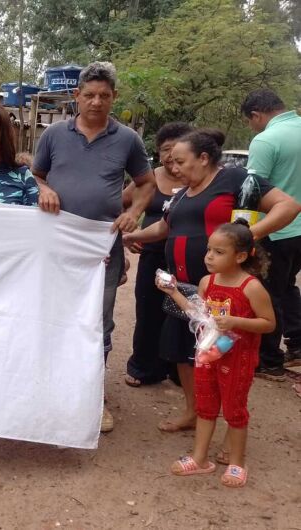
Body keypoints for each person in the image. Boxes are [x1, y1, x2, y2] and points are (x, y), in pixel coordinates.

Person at [123, 129, 300, 434]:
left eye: (180, 161)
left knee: (223, 357)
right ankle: (194, 412)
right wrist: (130, 235)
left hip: (223, 291)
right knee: (184, 352)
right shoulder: (181, 193)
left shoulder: (234, 180)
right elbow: (165, 229)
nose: (173, 168)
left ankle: (231, 424)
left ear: (203, 158)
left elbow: (288, 206)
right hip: (185, 290)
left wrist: (246, 238)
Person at [32, 62, 156, 433]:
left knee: (97, 322)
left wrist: (134, 212)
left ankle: (93, 397)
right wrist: (45, 189)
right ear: (76, 97)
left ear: (114, 97)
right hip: (55, 242)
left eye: (104, 95)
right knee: (51, 312)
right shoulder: (54, 134)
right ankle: (49, 389)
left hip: (102, 245)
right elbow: (36, 174)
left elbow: (146, 183)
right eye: (89, 95)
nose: (96, 102)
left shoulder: (128, 139)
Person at [158, 220, 275, 488]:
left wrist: (236, 322)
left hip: (238, 360)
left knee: (234, 410)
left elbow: (269, 323)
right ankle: (200, 459)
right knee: (206, 406)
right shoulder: (206, 281)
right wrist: (173, 291)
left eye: (219, 252)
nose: (209, 256)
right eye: (209, 250)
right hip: (207, 354)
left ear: (241, 256)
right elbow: (197, 313)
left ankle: (236, 463)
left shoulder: (251, 287)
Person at [123, 122, 194, 387]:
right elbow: (122, 203)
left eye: (176, 150)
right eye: (165, 149)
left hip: (187, 260)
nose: (170, 156)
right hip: (153, 256)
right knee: (148, 313)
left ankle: (179, 372)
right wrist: (128, 235)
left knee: (183, 315)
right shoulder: (150, 177)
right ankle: (144, 367)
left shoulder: (199, 179)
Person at [241, 88, 301, 379]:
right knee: (288, 286)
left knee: (268, 294)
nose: (252, 126)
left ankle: (270, 360)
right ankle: (298, 347)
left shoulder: (266, 139)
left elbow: (252, 191)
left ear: (257, 114)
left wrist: (242, 232)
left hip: (275, 230)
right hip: (300, 231)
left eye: (250, 121)